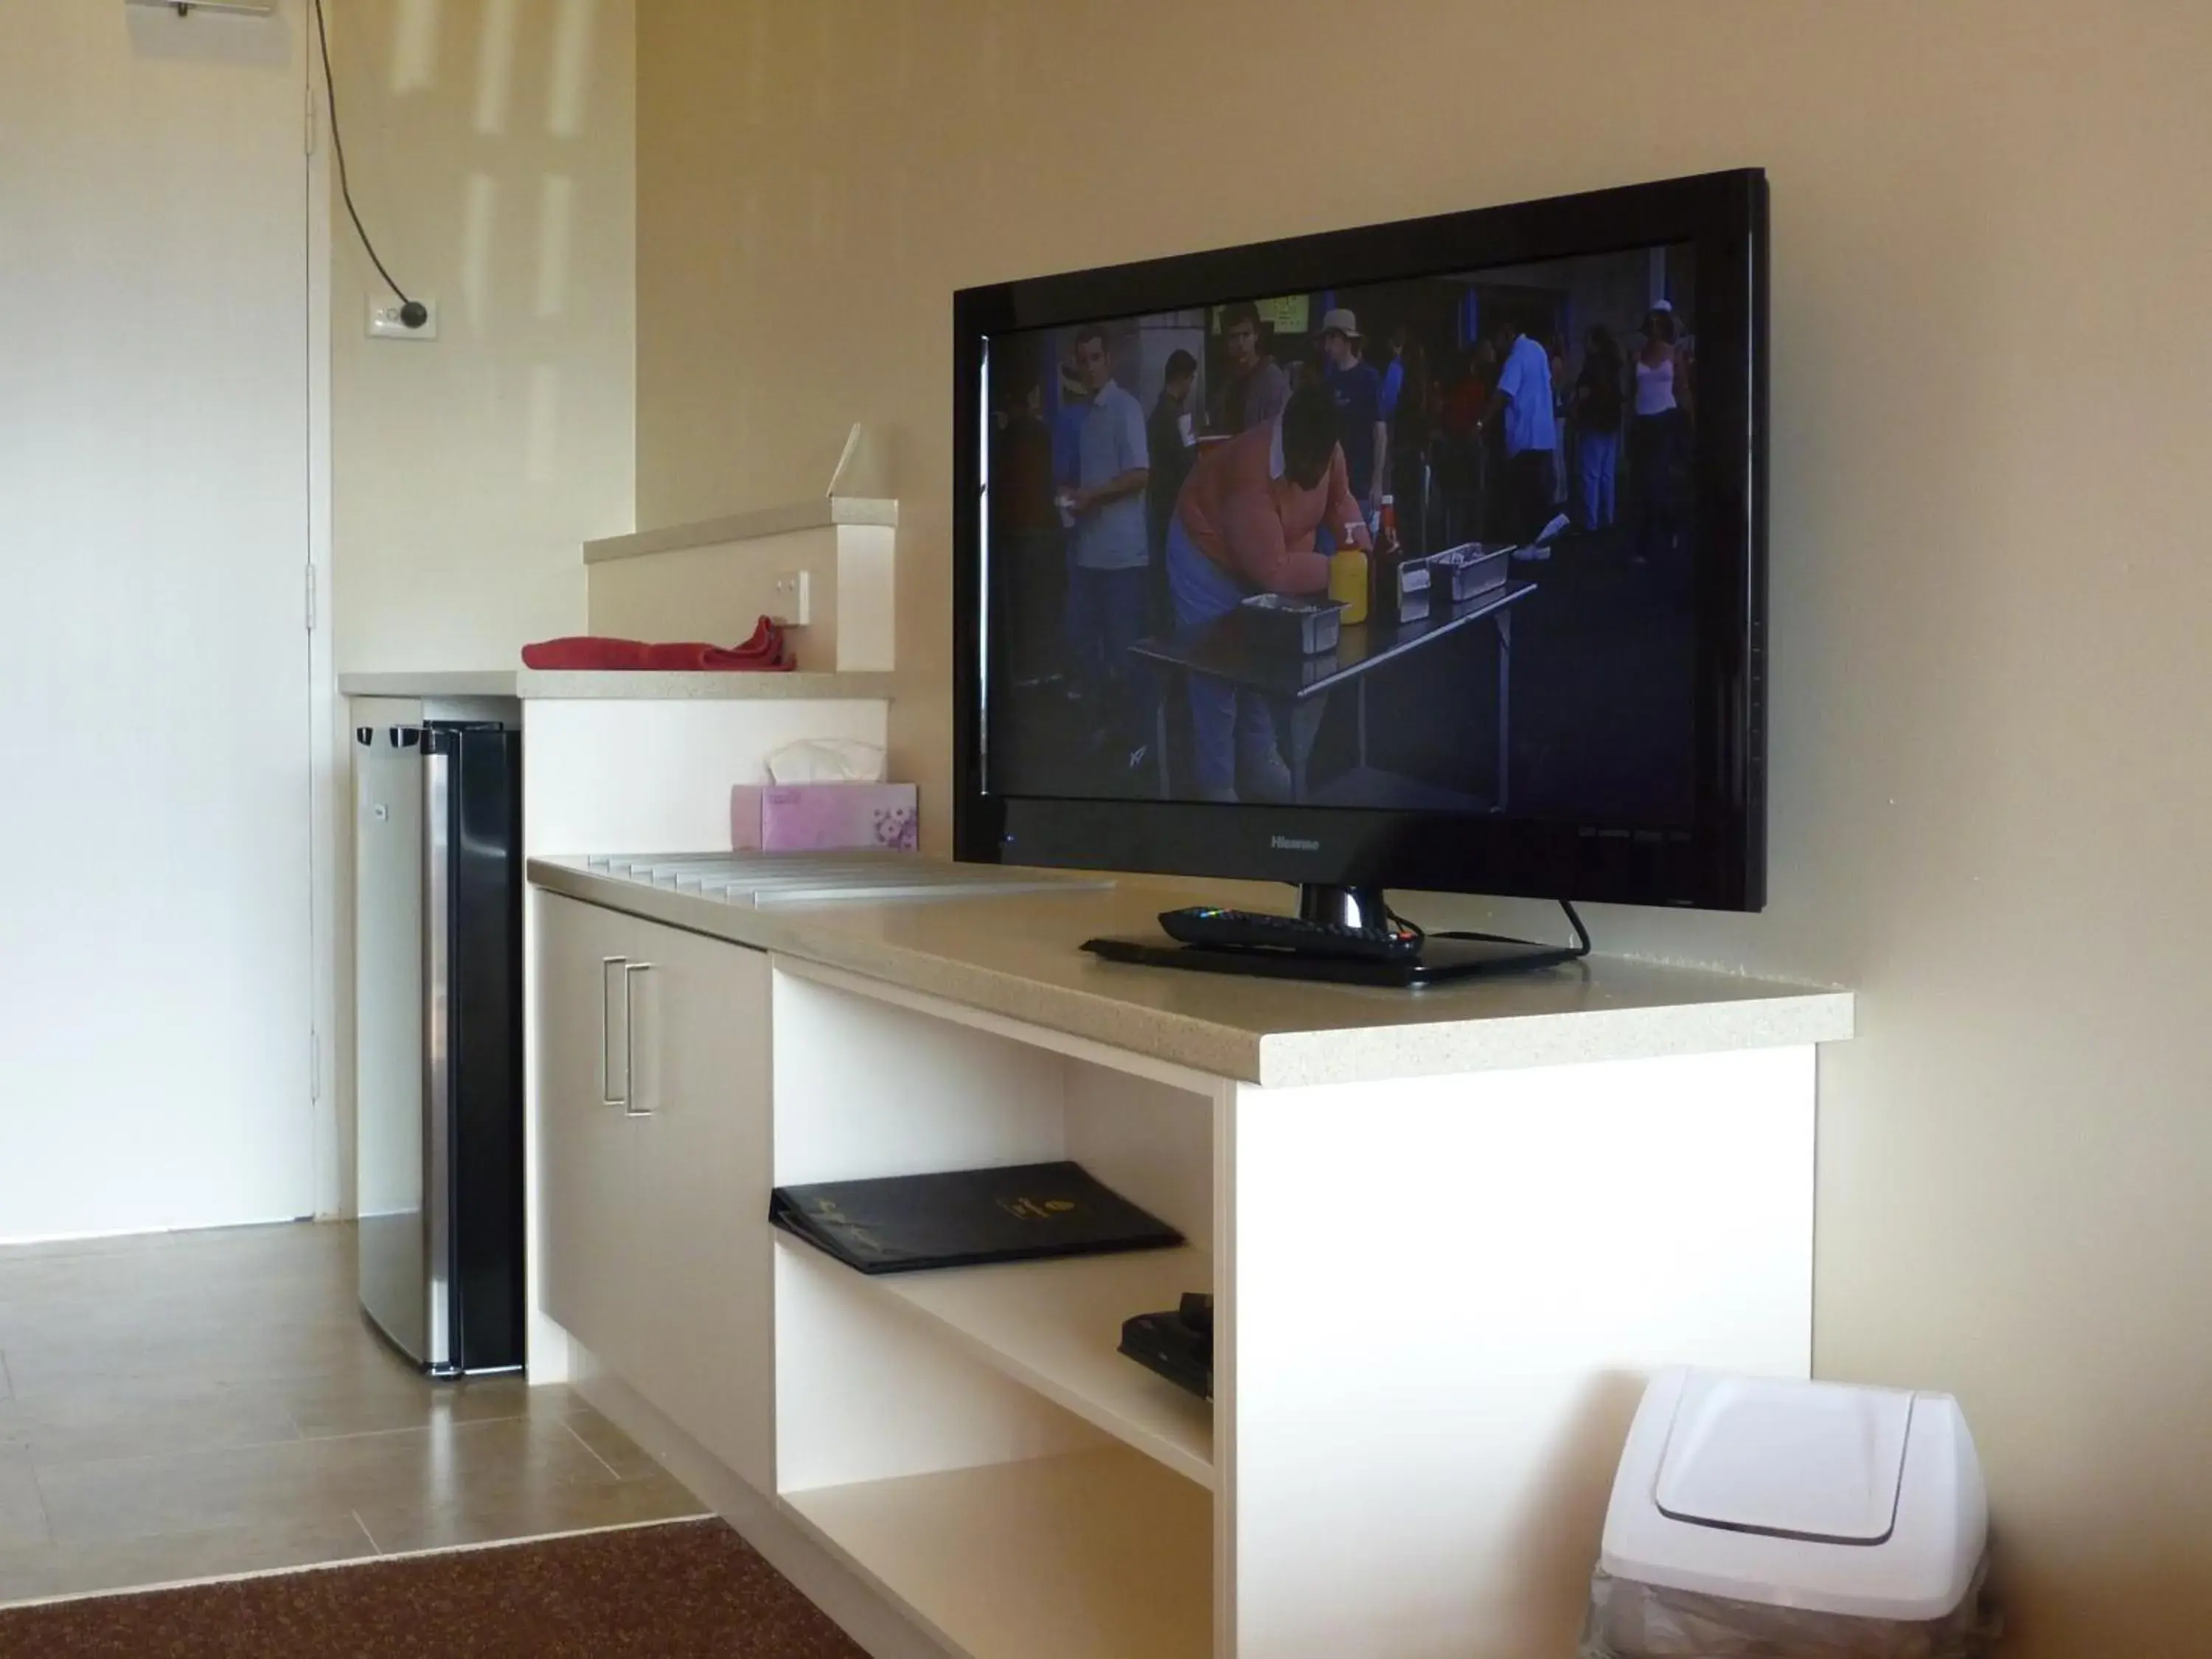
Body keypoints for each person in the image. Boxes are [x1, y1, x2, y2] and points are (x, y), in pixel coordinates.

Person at [1166, 381, 1371, 801]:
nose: (1316, 472)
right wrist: (1346, 570)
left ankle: (1260, 760)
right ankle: (1218, 783)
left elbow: (1340, 501)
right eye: (1308, 461)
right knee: (1217, 669)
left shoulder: (1327, 450)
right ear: (1288, 437)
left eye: (1323, 459)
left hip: (1262, 553)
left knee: (1257, 660)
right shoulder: (1251, 472)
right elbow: (1275, 573)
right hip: (1203, 555)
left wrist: (1363, 549)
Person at [1063, 325, 1152, 768]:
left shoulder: (1125, 409)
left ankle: (1141, 737)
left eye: (1096, 357)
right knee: (1084, 642)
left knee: (1125, 650)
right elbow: (1099, 481)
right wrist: (1076, 500)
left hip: (1122, 557)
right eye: (1083, 359)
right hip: (1090, 551)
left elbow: (1141, 473)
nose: (1090, 366)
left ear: (1109, 361)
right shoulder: (1088, 419)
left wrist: (1093, 495)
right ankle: (1108, 725)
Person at [1484, 319, 1558, 544]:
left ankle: (1526, 543)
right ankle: (1541, 543)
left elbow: (1503, 394)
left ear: (1506, 333)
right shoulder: (1537, 350)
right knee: (1538, 496)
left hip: (1525, 438)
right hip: (1544, 434)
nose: (1496, 347)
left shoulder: (1516, 357)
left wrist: (1480, 423)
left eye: (1496, 340)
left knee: (1522, 495)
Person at [1630, 305, 1690, 565]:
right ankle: (1670, 524)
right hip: (1643, 421)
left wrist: (1693, 422)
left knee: (1656, 480)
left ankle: (1647, 541)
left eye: (1658, 323)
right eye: (1650, 322)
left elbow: (1683, 389)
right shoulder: (1637, 355)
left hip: (1666, 419)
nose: (1654, 327)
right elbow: (1630, 391)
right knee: (1646, 482)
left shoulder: (1674, 354)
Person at [1146, 348, 1200, 625]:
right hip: (1178, 507)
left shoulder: (1155, 415)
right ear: (1184, 378)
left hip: (1159, 504)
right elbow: (1190, 463)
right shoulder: (1180, 417)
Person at [1319, 307, 1388, 517]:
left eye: (1333, 339)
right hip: (1331, 483)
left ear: (1347, 340)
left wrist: (1377, 482)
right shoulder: (1328, 381)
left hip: (1361, 483)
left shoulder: (1369, 378)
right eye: (1326, 339)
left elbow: (1379, 431)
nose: (1327, 346)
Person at [1571, 324, 1625, 529]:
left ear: (1593, 342)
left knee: (1590, 474)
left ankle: (1591, 522)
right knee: (1607, 473)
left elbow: (1582, 395)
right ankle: (1608, 517)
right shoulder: (1614, 364)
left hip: (1593, 423)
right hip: (1611, 423)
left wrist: (1574, 410)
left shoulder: (1591, 365)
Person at [1212, 301, 1290, 434]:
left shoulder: (1272, 378)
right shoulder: (1227, 383)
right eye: (1234, 337)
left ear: (1256, 335)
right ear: (1226, 341)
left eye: (1246, 335)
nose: (1241, 344)